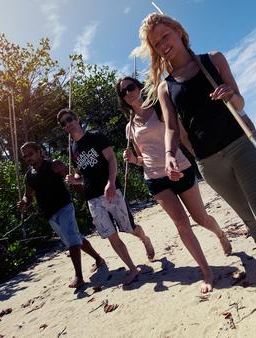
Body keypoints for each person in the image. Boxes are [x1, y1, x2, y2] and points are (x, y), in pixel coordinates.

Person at [136, 13, 256, 333]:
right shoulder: (165, 87)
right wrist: (170, 154)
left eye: (165, 36)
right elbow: (171, 127)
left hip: (241, 146)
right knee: (249, 219)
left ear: (178, 31)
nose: (163, 45)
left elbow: (239, 102)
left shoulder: (212, 60)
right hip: (208, 163)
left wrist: (229, 94)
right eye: (156, 44)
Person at [116, 76, 236, 294]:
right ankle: (206, 271)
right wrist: (133, 160)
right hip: (154, 178)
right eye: (123, 92)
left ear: (140, 87)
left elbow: (182, 136)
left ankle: (220, 234)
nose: (128, 93)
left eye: (130, 87)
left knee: (201, 218)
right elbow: (142, 157)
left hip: (180, 168)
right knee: (181, 224)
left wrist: (200, 158)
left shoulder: (161, 109)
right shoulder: (129, 128)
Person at [58, 108, 155, 286]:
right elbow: (82, 176)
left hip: (111, 192)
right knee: (111, 235)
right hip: (93, 199)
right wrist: (74, 180)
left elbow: (111, 159)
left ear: (77, 118)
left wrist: (110, 182)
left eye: (69, 119)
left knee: (129, 228)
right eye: (63, 123)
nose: (67, 124)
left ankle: (145, 239)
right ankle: (132, 269)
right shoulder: (73, 150)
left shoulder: (95, 136)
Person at [18, 142, 106, 289]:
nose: (28, 158)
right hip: (49, 214)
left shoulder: (54, 164)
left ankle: (79, 276)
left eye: (30, 154)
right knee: (75, 238)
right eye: (25, 156)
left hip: (64, 206)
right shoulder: (29, 176)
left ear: (39, 151)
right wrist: (24, 203)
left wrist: (86, 198)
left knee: (72, 240)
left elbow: (74, 182)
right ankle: (98, 259)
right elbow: (29, 196)